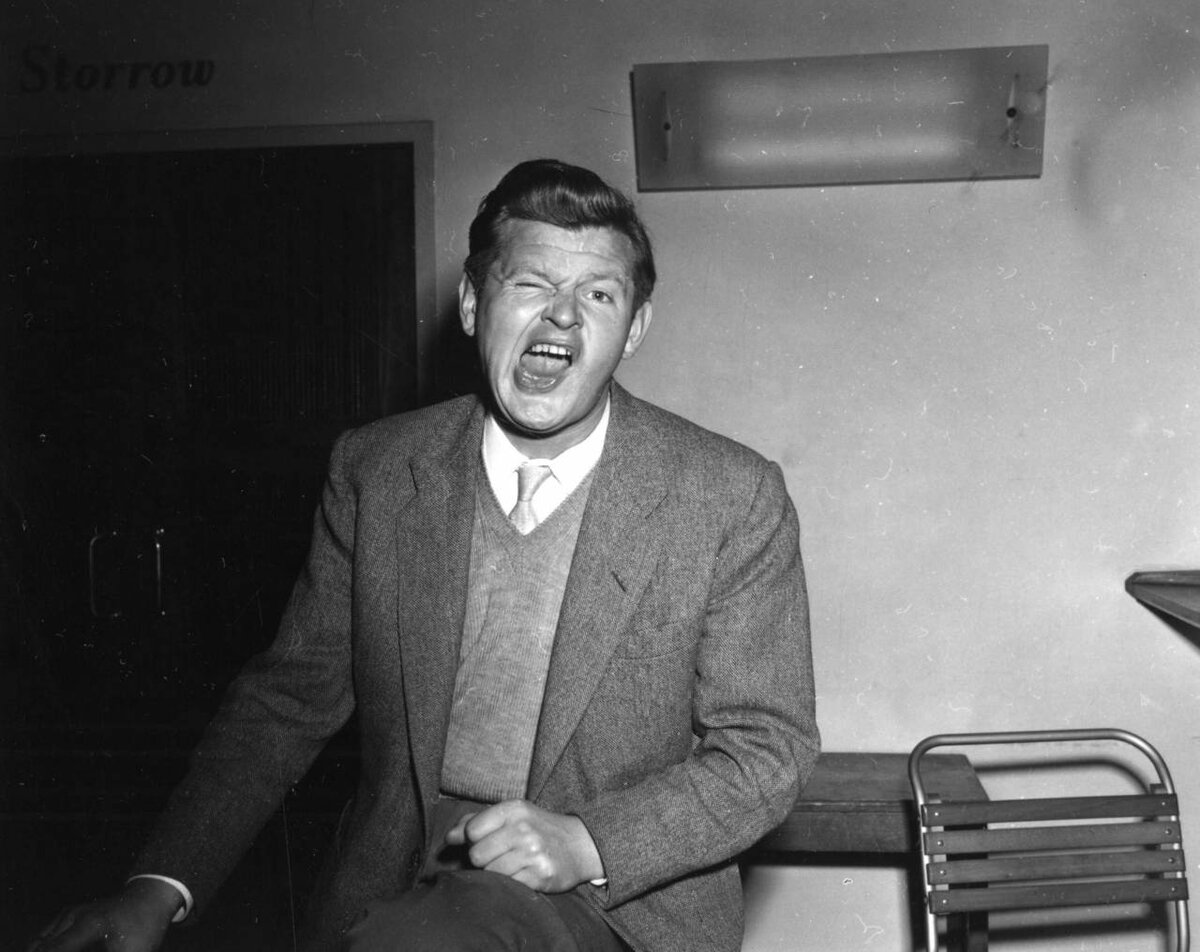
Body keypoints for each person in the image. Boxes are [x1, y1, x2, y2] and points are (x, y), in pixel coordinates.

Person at [32, 158, 819, 952]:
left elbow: (768, 750)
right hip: (396, 884)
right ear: (473, 305)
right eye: (531, 284)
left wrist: (588, 843)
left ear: (635, 329)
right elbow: (288, 700)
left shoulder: (728, 495)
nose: (563, 316)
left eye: (598, 295)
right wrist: (158, 885)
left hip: (613, 903)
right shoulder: (376, 469)